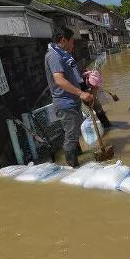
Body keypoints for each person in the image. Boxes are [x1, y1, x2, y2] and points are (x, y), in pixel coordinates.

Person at [45, 26, 93, 167]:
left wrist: (83, 76)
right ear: (64, 40)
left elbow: (69, 75)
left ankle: (78, 159)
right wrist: (81, 93)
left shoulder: (62, 54)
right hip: (65, 103)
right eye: (72, 41)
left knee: (74, 133)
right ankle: (73, 167)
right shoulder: (54, 55)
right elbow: (59, 80)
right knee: (71, 136)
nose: (73, 44)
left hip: (72, 101)